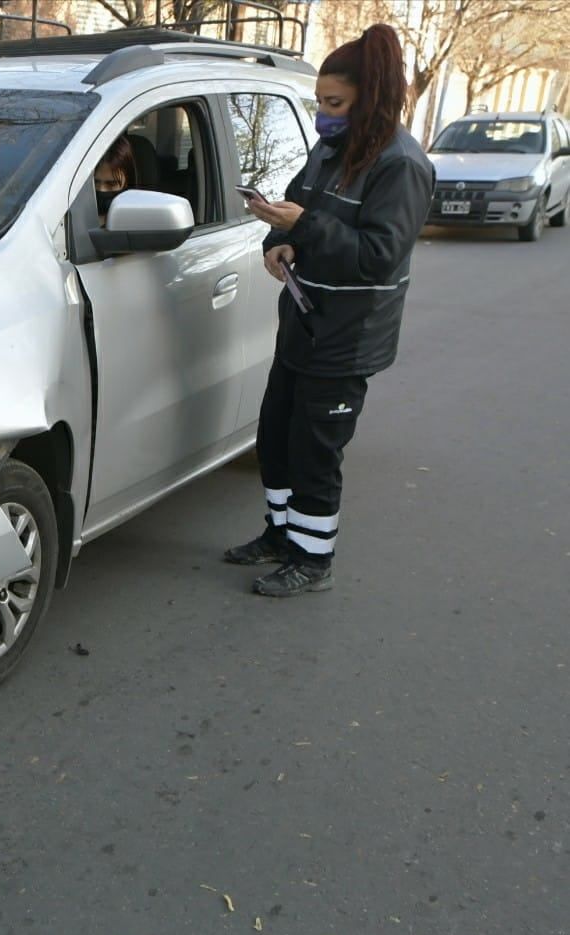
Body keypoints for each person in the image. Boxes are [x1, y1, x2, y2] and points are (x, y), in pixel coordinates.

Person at [225, 23, 433, 596]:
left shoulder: (402, 165)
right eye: (320, 102)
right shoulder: (331, 149)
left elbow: (378, 257)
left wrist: (303, 227)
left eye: (334, 103)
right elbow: (299, 211)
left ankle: (312, 561)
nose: (323, 114)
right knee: (276, 438)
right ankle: (280, 534)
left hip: (346, 337)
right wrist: (279, 242)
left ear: (370, 98)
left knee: (315, 453)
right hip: (303, 321)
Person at [94, 133, 136, 224]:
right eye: (95, 182)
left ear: (127, 183)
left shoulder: (136, 222)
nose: (101, 189)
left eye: (111, 184)